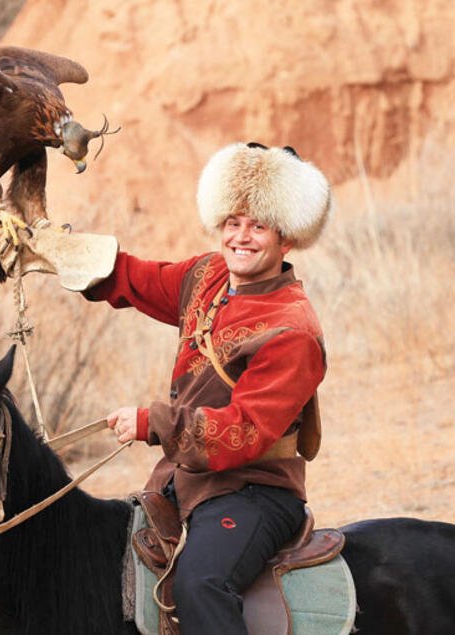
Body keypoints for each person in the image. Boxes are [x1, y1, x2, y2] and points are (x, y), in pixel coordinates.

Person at [81, 142, 331, 634]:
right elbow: (136, 279)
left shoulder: (292, 329)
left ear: (288, 239)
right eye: (233, 222)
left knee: (201, 584)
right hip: (182, 483)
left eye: (258, 225)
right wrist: (59, 253)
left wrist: (152, 422)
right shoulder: (209, 276)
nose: (241, 237)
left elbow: (244, 431)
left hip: (255, 492)